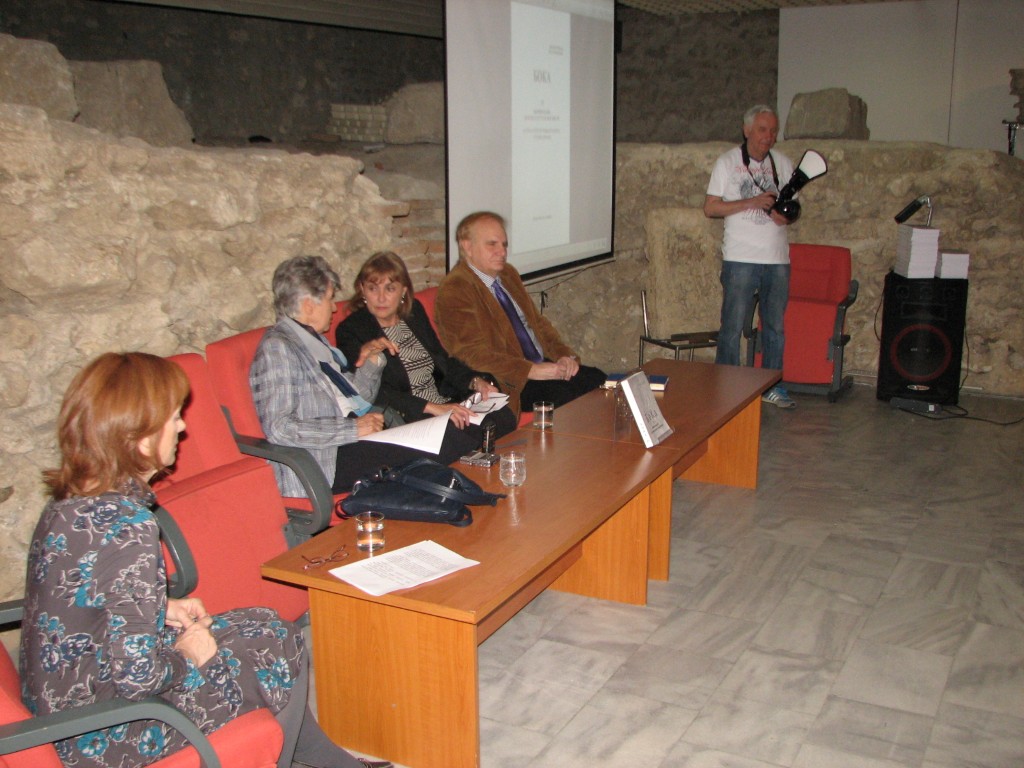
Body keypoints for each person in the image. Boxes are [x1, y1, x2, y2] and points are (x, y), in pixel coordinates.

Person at [19, 352, 390, 768]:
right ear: (140, 437)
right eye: (174, 417)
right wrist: (189, 655)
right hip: (107, 732)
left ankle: (335, 764)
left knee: (268, 625)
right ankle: (276, 757)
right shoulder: (128, 528)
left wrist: (159, 606)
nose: (182, 426)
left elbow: (83, 599)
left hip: (66, 708)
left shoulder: (71, 501)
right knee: (275, 649)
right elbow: (138, 678)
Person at [250, 255, 481, 495]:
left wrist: (372, 362)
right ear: (309, 305)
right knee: (447, 439)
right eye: (329, 299)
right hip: (325, 460)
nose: (334, 307)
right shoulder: (278, 347)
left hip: (351, 442)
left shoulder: (313, 342)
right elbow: (279, 428)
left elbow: (358, 399)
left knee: (454, 433)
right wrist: (352, 429)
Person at [435, 211, 605, 418]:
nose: (502, 252)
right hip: (511, 379)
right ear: (467, 246)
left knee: (598, 379)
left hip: (542, 363)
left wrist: (563, 356)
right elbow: (471, 354)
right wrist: (530, 370)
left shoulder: (508, 273)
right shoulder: (455, 288)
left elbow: (538, 324)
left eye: (504, 244)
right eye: (492, 244)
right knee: (570, 396)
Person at [335, 251, 517, 441]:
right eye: (373, 289)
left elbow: (443, 361)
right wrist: (433, 408)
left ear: (403, 291)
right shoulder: (352, 330)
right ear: (362, 289)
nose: (381, 298)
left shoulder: (413, 313)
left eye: (390, 289)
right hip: (410, 415)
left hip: (445, 401)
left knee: (503, 416)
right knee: (461, 435)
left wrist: (475, 381)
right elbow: (373, 393)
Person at [704, 104, 797, 409]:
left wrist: (785, 215)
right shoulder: (728, 162)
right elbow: (711, 207)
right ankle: (726, 386)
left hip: (776, 259)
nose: (768, 136)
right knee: (732, 326)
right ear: (746, 131)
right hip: (740, 257)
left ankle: (773, 386)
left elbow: (792, 209)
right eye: (762, 129)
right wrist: (751, 202)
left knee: (775, 327)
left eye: (773, 130)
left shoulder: (783, 164)